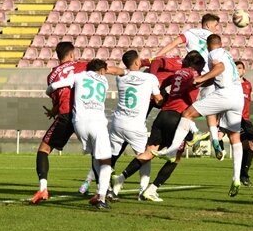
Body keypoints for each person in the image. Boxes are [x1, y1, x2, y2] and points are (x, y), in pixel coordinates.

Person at [32, 41, 123, 204]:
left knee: (44, 150)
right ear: (72, 54)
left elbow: (56, 95)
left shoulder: (52, 75)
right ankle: (104, 191)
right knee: (98, 154)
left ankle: (43, 188)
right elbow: (109, 70)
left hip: (66, 115)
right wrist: (125, 72)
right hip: (86, 114)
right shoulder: (82, 66)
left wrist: (53, 111)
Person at [157, 33, 246, 197]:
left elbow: (220, 68)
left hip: (225, 94)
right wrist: (202, 81)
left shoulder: (214, 53)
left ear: (208, 44)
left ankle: (172, 150)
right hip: (238, 97)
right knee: (235, 137)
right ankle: (236, 178)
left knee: (187, 113)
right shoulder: (228, 55)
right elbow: (217, 77)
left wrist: (201, 78)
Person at [115, 50, 206, 202]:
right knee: (175, 158)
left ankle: (120, 178)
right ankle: (152, 189)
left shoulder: (177, 73)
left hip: (163, 115)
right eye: (201, 67)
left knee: (149, 152)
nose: (201, 70)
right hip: (177, 118)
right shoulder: (193, 75)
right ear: (196, 65)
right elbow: (191, 98)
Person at [154, 13, 226, 160]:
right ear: (207, 24)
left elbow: (172, 44)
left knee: (186, 108)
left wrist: (156, 56)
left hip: (193, 77)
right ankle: (214, 140)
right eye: (215, 25)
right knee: (210, 112)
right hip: (209, 77)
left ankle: (193, 133)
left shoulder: (190, 32)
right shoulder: (213, 40)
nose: (216, 28)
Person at [46, 58, 115, 210]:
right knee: (106, 161)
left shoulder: (79, 76)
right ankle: (102, 197)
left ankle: (99, 193)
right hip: (97, 122)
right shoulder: (104, 81)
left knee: (97, 157)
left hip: (79, 124)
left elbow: (53, 86)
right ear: (102, 71)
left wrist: (51, 97)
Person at [107, 49, 163, 200]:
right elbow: (158, 100)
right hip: (136, 125)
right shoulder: (150, 78)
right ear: (138, 62)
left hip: (117, 123)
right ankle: (143, 191)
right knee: (145, 157)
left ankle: (106, 189)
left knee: (111, 157)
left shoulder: (121, 78)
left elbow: (120, 71)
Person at [234, 60, 253, 186]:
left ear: (243, 70)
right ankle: (242, 175)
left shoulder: (248, 85)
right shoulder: (230, 84)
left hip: (245, 119)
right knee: (246, 145)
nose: (237, 70)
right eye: (235, 68)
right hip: (235, 119)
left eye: (239, 68)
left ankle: (243, 173)